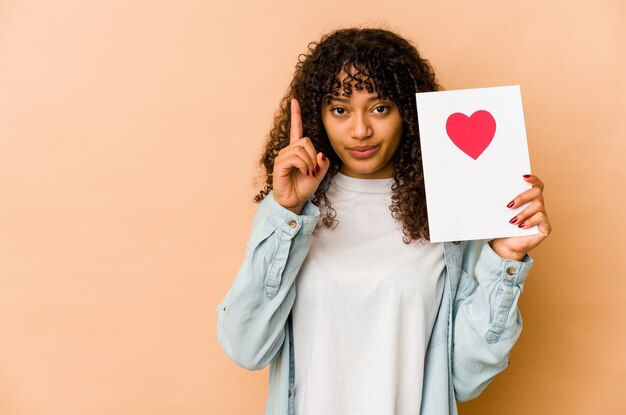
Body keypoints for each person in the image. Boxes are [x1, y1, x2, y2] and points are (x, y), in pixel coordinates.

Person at [216, 27, 551, 415]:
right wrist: (286, 213)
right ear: (317, 115)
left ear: (407, 111)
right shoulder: (290, 215)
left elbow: (465, 378)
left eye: (379, 108)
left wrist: (505, 258)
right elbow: (245, 347)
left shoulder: (449, 216)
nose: (360, 130)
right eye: (340, 109)